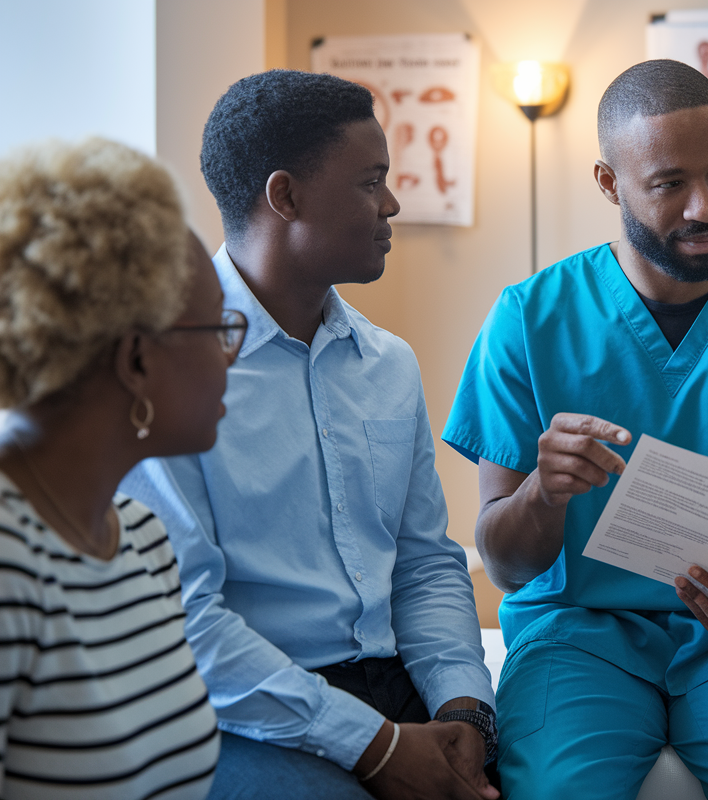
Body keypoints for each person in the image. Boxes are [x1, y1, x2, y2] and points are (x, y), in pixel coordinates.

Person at [442, 59, 708, 799]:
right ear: (610, 184)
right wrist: (544, 496)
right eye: (670, 184)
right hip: (577, 636)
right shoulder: (526, 321)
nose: (706, 207)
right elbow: (506, 565)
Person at [121, 70, 498, 800]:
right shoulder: (166, 374)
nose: (392, 204)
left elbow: (424, 565)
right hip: (248, 710)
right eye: (370, 181)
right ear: (285, 196)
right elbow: (188, 622)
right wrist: (380, 749)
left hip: (396, 688)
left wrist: (464, 709)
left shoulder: (390, 364)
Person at [0, 138, 230, 798]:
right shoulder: (9, 565)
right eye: (217, 330)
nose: (231, 359)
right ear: (135, 360)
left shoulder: (142, 539)